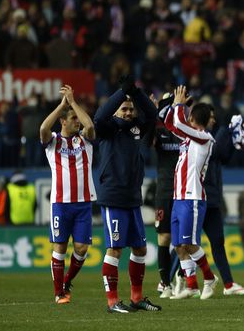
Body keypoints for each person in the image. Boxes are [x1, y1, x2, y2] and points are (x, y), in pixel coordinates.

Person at [94, 75, 161, 314]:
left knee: (140, 249)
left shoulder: (135, 128)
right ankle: (112, 302)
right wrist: (121, 93)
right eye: (124, 109)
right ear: (116, 110)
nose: (128, 112)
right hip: (113, 195)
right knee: (115, 249)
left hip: (133, 196)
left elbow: (153, 115)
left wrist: (137, 92)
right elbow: (99, 117)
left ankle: (137, 298)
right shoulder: (107, 129)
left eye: (131, 109)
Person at [183, 113, 244, 297]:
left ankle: (228, 284)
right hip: (197, 199)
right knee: (186, 243)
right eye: (211, 116)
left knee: (217, 243)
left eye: (215, 116)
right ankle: (173, 281)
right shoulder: (199, 140)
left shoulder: (212, 140)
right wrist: (227, 130)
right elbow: (214, 150)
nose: (213, 119)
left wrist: (233, 138)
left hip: (212, 199)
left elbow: (224, 157)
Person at [39, 85, 96, 304]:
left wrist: (73, 103)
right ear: (63, 121)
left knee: (81, 248)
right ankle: (58, 293)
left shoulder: (86, 140)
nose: (77, 121)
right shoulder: (53, 142)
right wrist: (62, 106)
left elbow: (90, 124)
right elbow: (43, 128)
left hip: (83, 204)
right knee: (60, 247)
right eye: (72, 118)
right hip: (61, 204)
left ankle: (66, 282)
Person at [162, 86, 219, 300]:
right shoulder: (189, 138)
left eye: (189, 115)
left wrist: (179, 105)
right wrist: (173, 106)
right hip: (179, 198)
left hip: (192, 198)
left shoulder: (204, 138)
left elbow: (178, 123)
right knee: (178, 245)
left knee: (190, 243)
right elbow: (170, 123)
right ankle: (192, 286)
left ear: (193, 118)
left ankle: (210, 277)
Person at [151, 92, 185, 299]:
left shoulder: (185, 130)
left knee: (184, 239)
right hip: (164, 190)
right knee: (165, 237)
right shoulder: (159, 131)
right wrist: (152, 113)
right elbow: (146, 138)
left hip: (184, 190)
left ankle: (182, 277)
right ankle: (165, 283)